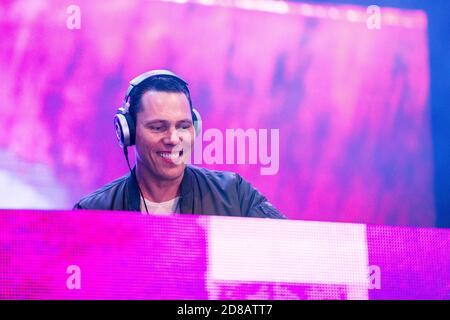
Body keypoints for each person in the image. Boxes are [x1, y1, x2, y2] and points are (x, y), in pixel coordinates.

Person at [73, 70, 285, 219]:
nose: (173, 139)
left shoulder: (234, 194)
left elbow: (292, 250)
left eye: (183, 126)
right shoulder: (93, 212)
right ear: (128, 132)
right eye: (157, 127)